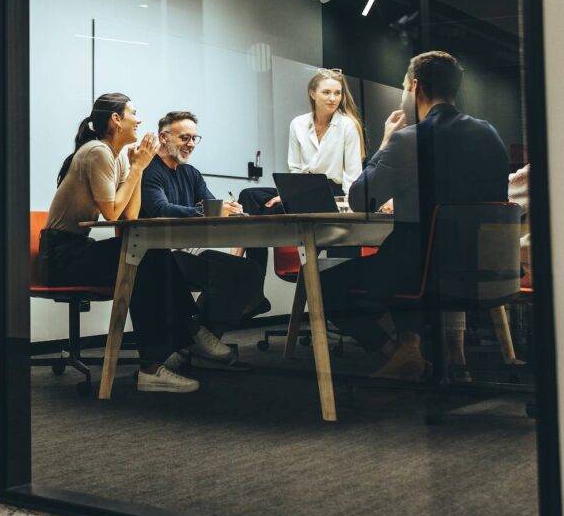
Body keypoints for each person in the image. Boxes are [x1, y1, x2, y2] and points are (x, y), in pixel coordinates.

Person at [319, 51, 510, 379]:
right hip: (484, 265)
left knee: (325, 285)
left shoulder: (410, 140)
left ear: (416, 88)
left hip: (424, 269)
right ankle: (410, 349)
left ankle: (398, 352)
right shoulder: (489, 134)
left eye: (404, 87)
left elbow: (361, 198)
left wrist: (385, 142)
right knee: (402, 252)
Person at [41, 93, 237, 394]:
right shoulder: (97, 152)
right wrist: (137, 169)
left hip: (76, 250)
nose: (139, 119)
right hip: (61, 257)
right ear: (116, 120)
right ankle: (176, 344)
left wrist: (138, 168)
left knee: (146, 254)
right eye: (134, 112)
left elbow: (129, 216)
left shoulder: (116, 156)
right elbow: (112, 213)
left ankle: (168, 350)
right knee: (142, 257)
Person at [140, 111, 270, 341]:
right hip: (160, 255)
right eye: (184, 138)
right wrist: (212, 210)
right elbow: (160, 209)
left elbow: (212, 206)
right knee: (223, 276)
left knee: (251, 271)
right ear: (164, 137)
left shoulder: (191, 173)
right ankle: (199, 339)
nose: (190, 144)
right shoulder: (149, 170)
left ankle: (203, 335)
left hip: (188, 251)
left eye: (194, 138)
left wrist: (231, 212)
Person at [238, 68, 367, 264]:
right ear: (312, 93)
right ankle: (254, 280)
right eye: (326, 92)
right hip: (302, 189)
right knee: (249, 196)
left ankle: (247, 247)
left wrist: (349, 209)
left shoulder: (348, 125)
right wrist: (287, 194)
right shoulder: (298, 124)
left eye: (337, 93)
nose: (333, 98)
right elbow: (295, 168)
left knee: (260, 218)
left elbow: (352, 173)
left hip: (331, 191)